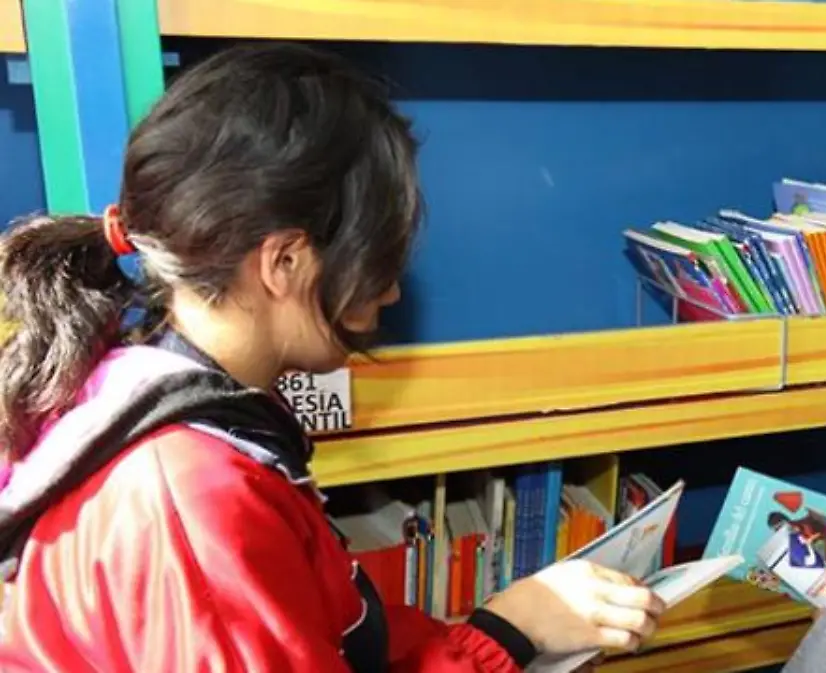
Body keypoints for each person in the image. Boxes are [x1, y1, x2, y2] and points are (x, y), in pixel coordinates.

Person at [0, 43, 663, 672]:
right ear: (285, 261)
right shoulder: (192, 497)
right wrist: (505, 632)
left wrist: (502, 627)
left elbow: (322, 624)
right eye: (378, 255)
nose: (393, 290)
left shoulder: (141, 389)